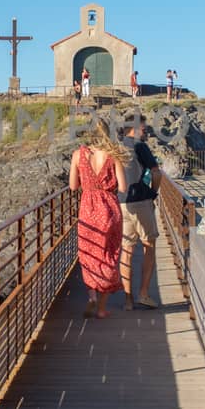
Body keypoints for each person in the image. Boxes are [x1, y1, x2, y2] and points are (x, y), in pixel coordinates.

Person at [69, 120, 127, 317]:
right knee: (109, 255)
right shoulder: (113, 155)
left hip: (88, 209)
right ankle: (101, 309)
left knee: (88, 254)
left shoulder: (78, 155)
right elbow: (123, 188)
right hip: (110, 210)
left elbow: (72, 186)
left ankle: (92, 296)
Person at [120, 113, 162, 309]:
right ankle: (143, 293)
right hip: (141, 201)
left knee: (126, 250)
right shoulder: (140, 146)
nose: (146, 133)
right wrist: (153, 193)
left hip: (122, 203)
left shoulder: (118, 146)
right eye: (144, 129)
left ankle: (127, 299)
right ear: (134, 129)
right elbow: (156, 172)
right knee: (149, 246)